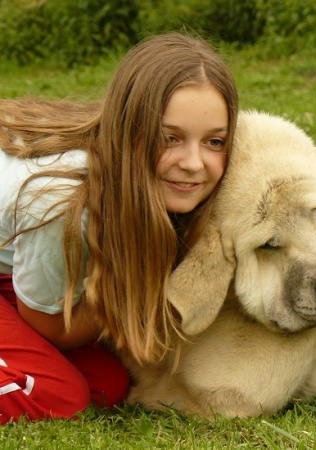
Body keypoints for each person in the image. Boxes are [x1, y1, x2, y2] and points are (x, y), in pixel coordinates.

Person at [0, 33, 239, 424]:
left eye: (214, 141)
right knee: (58, 396)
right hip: (37, 298)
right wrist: (143, 275)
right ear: (130, 129)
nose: (194, 163)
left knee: (107, 385)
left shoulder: (156, 187)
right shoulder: (64, 204)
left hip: (11, 262)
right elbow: (47, 325)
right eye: (170, 138)